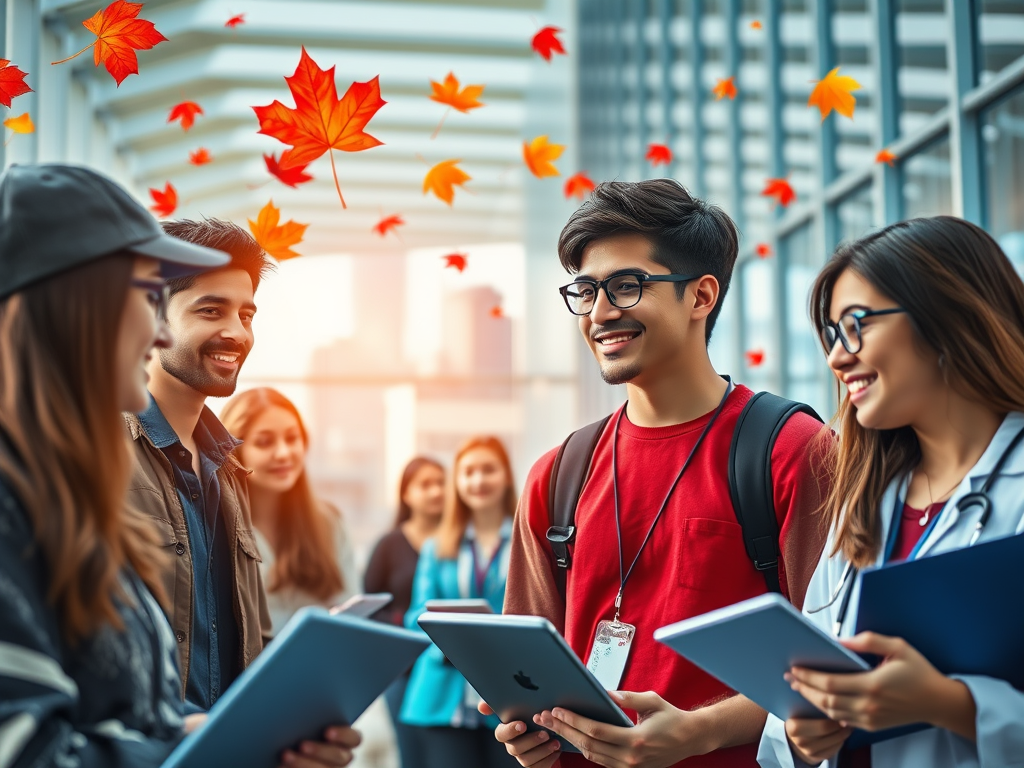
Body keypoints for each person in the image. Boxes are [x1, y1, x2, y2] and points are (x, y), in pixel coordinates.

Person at [487, 179, 831, 768]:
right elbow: (525, 670)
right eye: (586, 291)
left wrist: (703, 730)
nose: (599, 313)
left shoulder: (792, 450)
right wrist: (528, 730)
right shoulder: (557, 477)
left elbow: (837, 667)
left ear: (700, 297)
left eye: (626, 287)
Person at [758, 216, 1024, 768]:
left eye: (856, 324)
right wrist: (802, 736)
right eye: (832, 334)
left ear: (948, 316)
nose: (836, 357)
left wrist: (949, 705)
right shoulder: (868, 500)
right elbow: (789, 722)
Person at [0, 162, 229, 766]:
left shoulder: (66, 498)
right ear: (75, 304)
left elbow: (134, 709)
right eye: (149, 297)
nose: (160, 335)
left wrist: (216, 733)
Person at [123, 219, 361, 767]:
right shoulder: (93, 454)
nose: (238, 331)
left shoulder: (227, 475)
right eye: (211, 310)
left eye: (246, 313)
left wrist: (299, 727)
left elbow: (245, 645)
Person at [401, 437, 519, 768]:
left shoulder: (529, 541)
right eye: (468, 472)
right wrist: (460, 641)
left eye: (488, 470)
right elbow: (416, 617)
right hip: (442, 691)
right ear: (458, 482)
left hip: (507, 693)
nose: (478, 480)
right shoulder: (435, 547)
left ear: (506, 476)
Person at [220, 387, 358, 633]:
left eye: (292, 438)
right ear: (234, 452)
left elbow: (351, 610)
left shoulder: (329, 522)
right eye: (264, 442)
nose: (283, 453)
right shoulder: (214, 526)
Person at [364, 456, 446, 768]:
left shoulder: (455, 543)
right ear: (406, 494)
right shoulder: (389, 544)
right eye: (425, 484)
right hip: (402, 668)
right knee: (411, 754)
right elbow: (369, 603)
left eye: (441, 483)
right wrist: (400, 624)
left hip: (445, 667)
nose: (436, 491)